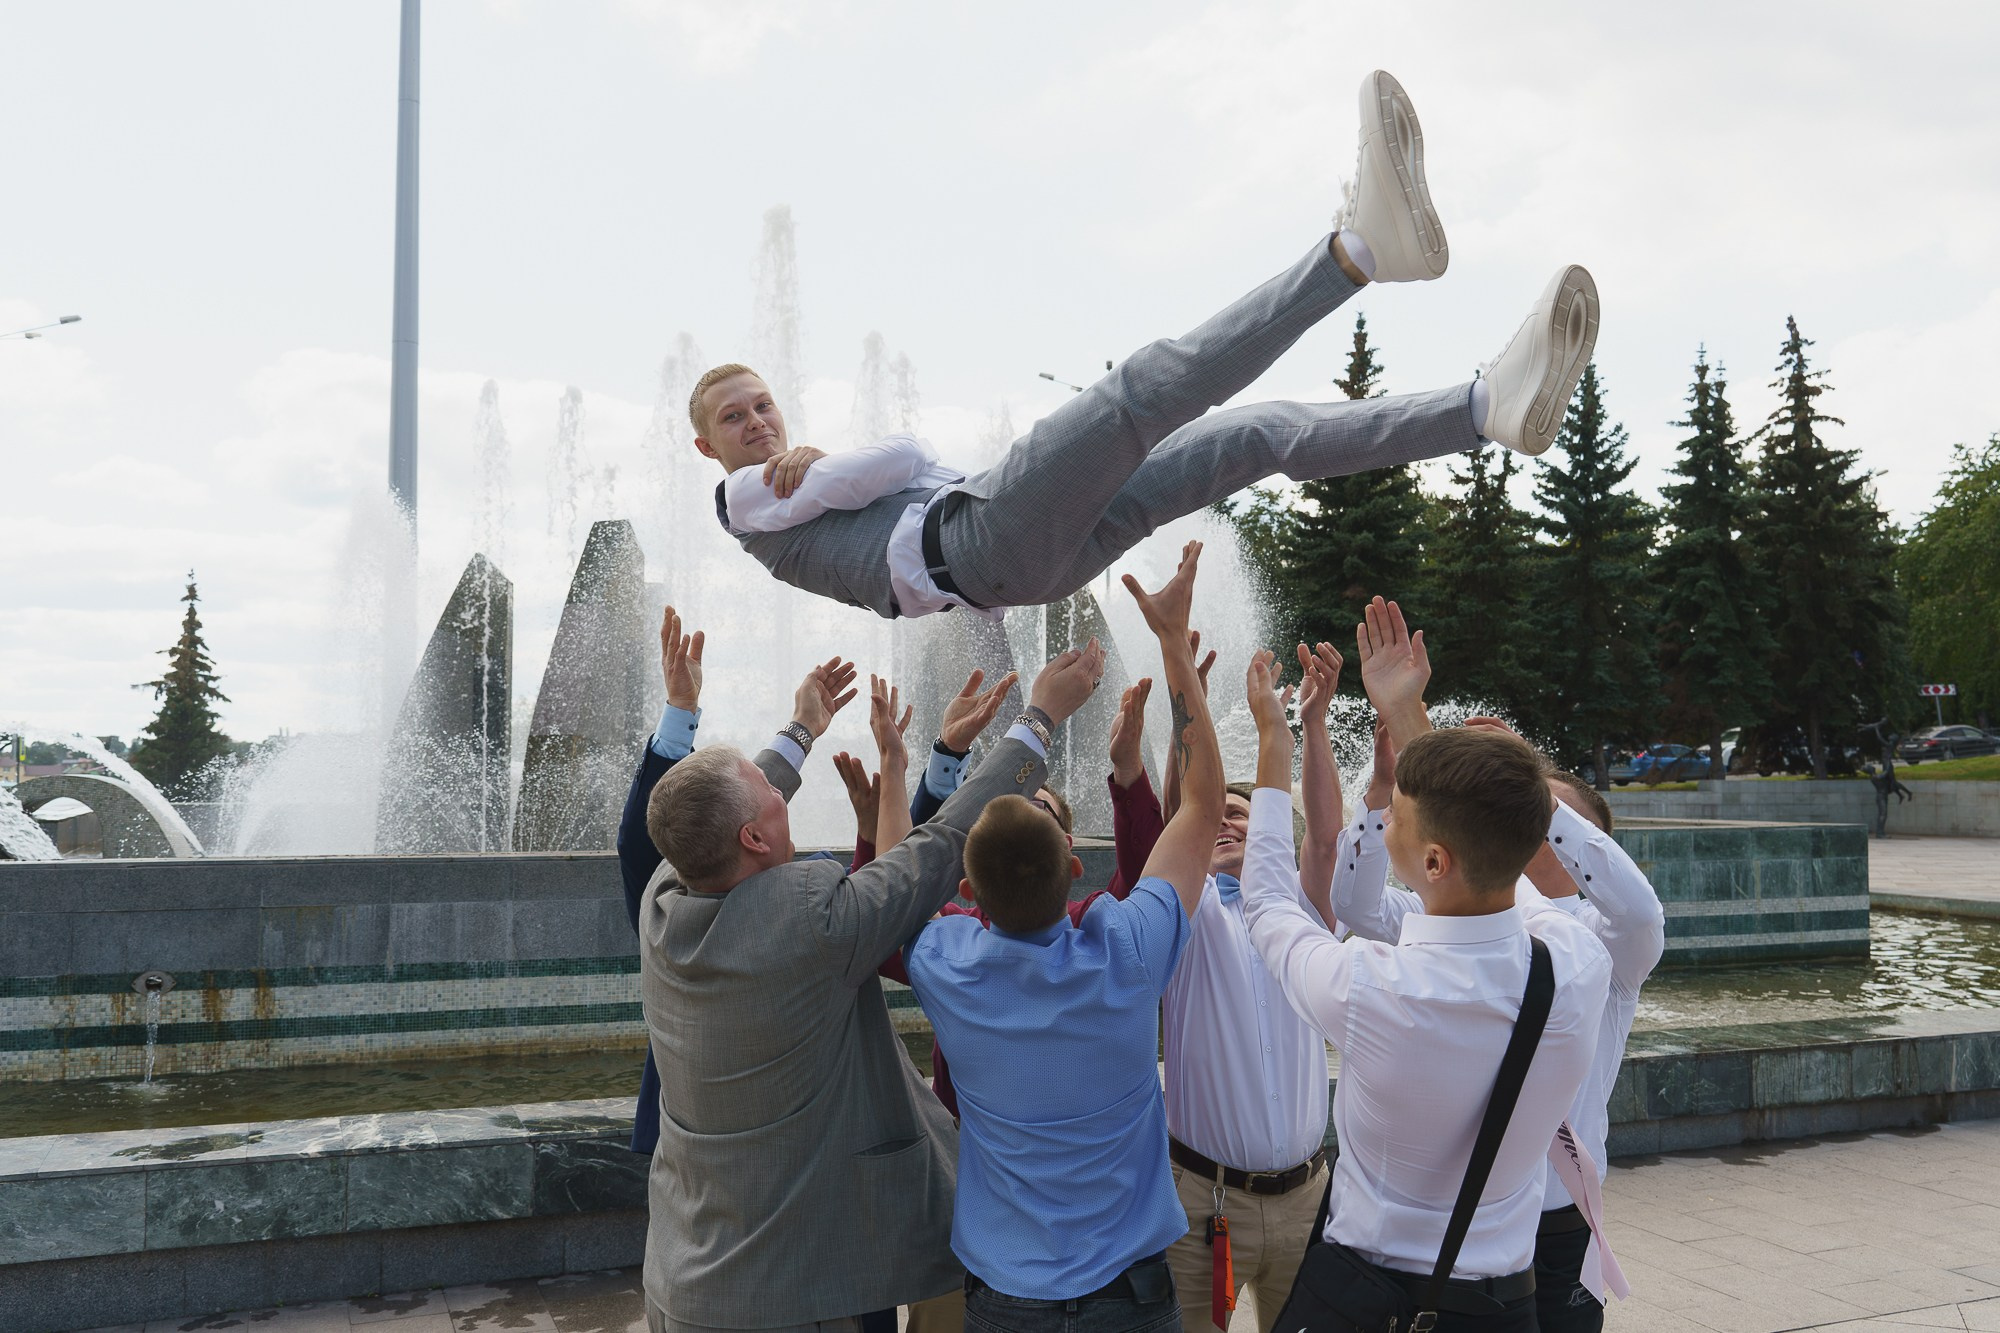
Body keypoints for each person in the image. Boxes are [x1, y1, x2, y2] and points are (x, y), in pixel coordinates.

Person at [693, 70, 1600, 620]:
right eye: (734, 419)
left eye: (763, 403)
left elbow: (890, 478)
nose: (758, 423)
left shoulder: (786, 497)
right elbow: (899, 455)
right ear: (705, 446)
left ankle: (1482, 409)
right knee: (1139, 393)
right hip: (978, 537)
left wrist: (841, 473)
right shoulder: (744, 499)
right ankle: (1356, 253)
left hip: (1013, 560)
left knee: (1253, 439)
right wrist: (830, 467)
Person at [634, 631, 1106, 1332]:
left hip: (683, 1282)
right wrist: (1038, 720)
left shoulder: (666, 893)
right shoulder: (812, 922)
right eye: (771, 791)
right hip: (799, 1298)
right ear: (754, 839)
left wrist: (801, 730)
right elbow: (941, 845)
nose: (780, 788)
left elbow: (713, 811)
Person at [1237, 600, 1612, 1333]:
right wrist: (1409, 712)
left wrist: (1274, 742)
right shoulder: (1576, 963)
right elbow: (1491, 844)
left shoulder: (1372, 987)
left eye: (1395, 815)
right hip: (1503, 1309)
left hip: (1371, 1304)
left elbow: (1268, 902)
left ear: (1434, 861)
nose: (1383, 822)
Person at [902, 542, 1225, 1329]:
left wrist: (949, 752)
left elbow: (900, 877)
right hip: (1130, 1298)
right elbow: (1204, 809)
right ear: (1076, 868)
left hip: (1007, 1301)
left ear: (966, 889)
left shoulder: (944, 960)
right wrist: (1173, 646)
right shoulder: (1125, 949)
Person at [1327, 608, 1661, 1331]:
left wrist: (1519, 786)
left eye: (1548, 818)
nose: (1529, 824)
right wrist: (1383, 798)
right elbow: (1352, 905)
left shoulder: (1602, 941)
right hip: (1457, 1228)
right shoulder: (1447, 914)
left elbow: (1641, 911)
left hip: (1557, 1219)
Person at [1106, 641, 1349, 1331]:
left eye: (1241, 813)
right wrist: (1189, 710)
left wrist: (1313, 723)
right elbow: (1175, 819)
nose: (1225, 821)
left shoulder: (1304, 911)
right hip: (1202, 1207)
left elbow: (1326, 839)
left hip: (1309, 1199)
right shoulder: (1184, 915)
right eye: (1216, 817)